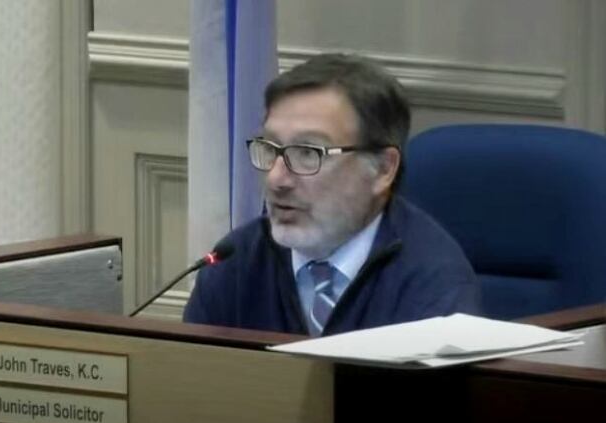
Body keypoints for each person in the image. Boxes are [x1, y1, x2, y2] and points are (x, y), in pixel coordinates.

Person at [183, 53, 480, 336]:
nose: (276, 179)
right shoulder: (235, 262)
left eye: (308, 153)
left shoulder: (432, 283)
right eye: (271, 148)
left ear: (382, 169)